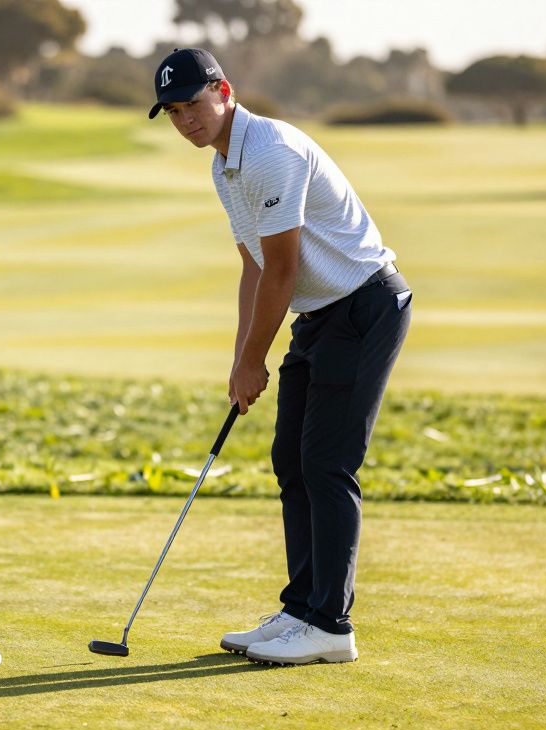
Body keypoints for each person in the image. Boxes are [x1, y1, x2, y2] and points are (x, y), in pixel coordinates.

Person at [148, 48, 412, 666]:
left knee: (326, 463)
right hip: (320, 317)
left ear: (225, 92)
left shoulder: (270, 152)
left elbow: (284, 271)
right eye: (174, 112)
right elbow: (254, 266)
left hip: (363, 306)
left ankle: (331, 626)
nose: (186, 120)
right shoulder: (224, 166)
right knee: (291, 459)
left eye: (193, 104)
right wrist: (242, 358)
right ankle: (302, 609)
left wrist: (254, 360)